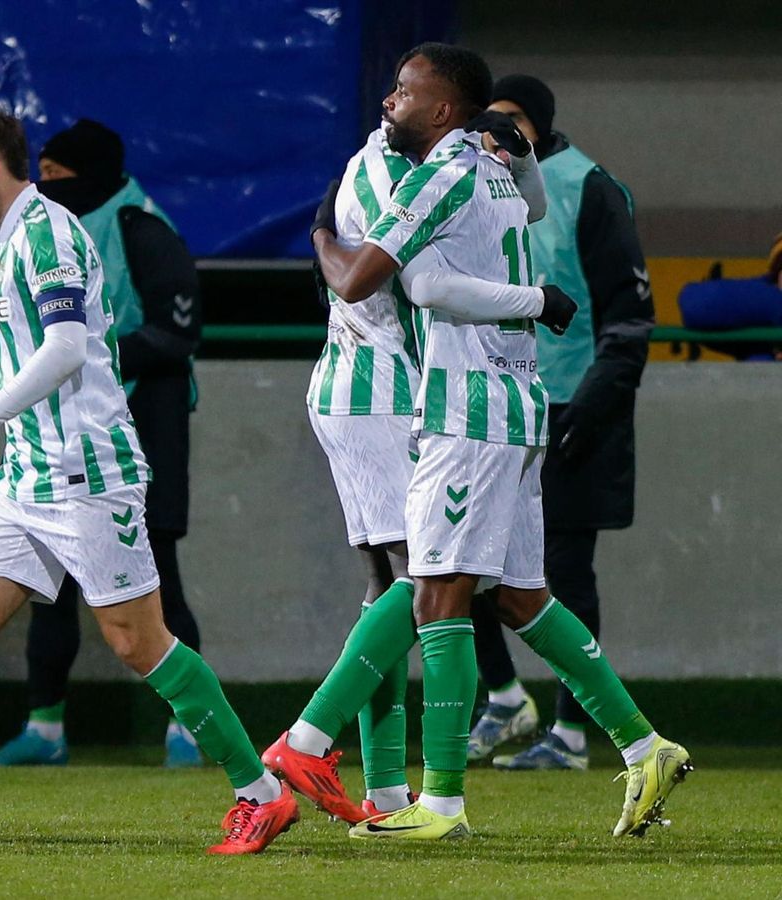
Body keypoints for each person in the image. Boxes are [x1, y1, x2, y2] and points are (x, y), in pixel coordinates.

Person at [0, 104, 297, 856]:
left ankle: (262, 793)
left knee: (137, 640)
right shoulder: (12, 238)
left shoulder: (49, 231)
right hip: (28, 475)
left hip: (87, 471)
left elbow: (64, 349)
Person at [266, 42, 688, 841]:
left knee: (433, 592)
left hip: (468, 408)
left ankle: (434, 802)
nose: (390, 101)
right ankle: (646, 746)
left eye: (404, 91)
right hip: (517, 402)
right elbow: (527, 206)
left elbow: (376, 281)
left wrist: (323, 232)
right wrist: (533, 271)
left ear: (443, 112)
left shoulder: (439, 175)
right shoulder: (494, 168)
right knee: (523, 597)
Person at [280, 95, 552, 821]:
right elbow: (372, 278)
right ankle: (308, 743)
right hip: (383, 392)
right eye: (396, 88)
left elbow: (523, 211)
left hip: (384, 391)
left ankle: (386, 789)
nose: (386, 99)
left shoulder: (427, 165)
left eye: (403, 88)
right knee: (427, 582)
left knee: (393, 587)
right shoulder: (389, 171)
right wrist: (317, 237)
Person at [0, 118, 206, 768]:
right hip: (62, 434)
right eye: (42, 176)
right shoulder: (40, 232)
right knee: (50, 588)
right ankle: (45, 728)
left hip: (143, 426)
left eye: (58, 177)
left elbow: (176, 332)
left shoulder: (140, 226)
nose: (47, 188)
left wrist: (93, 355)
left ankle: (188, 729)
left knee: (157, 580)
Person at [464, 75, 659, 771]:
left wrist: (596, 406)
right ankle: (504, 695)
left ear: (540, 126)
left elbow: (629, 315)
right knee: (462, 563)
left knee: (566, 571)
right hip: (490, 404)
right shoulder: (471, 183)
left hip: (573, 405)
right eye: (491, 119)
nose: (500, 132)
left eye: (513, 119)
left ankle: (573, 732)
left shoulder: (587, 187)